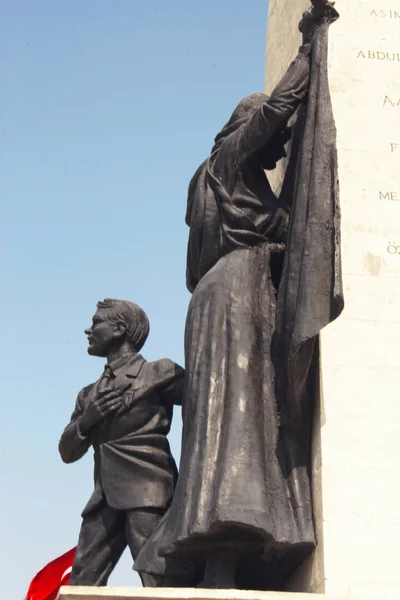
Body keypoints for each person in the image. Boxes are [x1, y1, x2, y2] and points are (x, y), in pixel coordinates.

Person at [134, 1, 339, 590]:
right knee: (237, 430)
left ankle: (226, 558)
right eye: (271, 147)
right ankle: (224, 551)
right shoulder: (226, 161)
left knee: (230, 427)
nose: (277, 156)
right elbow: (275, 112)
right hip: (236, 297)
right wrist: (308, 49)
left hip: (219, 296)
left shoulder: (209, 178)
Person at [59, 298, 184, 586]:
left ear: (119, 329)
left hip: (149, 491)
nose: (88, 332)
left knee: (158, 580)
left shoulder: (158, 372)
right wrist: (87, 420)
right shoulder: (88, 395)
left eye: (96, 323)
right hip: (103, 497)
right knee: (81, 582)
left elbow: (203, 401)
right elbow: (66, 451)